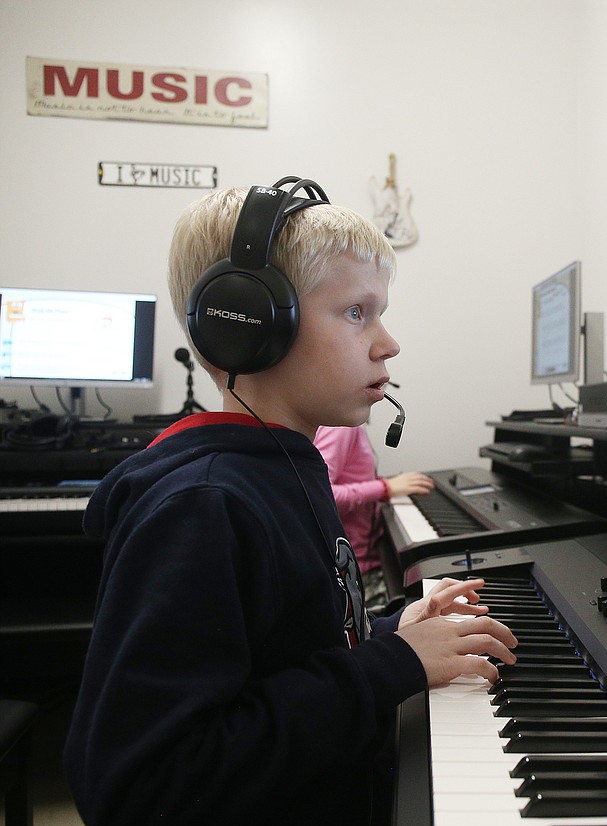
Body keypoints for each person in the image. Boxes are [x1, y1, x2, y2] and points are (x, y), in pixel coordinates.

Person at [64, 180, 517, 825]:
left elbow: (286, 658)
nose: (388, 343)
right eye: (358, 312)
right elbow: (140, 785)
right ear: (250, 325)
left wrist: (392, 633)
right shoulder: (205, 507)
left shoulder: (281, 467)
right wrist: (390, 667)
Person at [314, 424, 434, 613]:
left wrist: (386, 488)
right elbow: (321, 494)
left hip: (363, 558)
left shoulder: (347, 426)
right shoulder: (341, 427)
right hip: (357, 571)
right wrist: (385, 488)